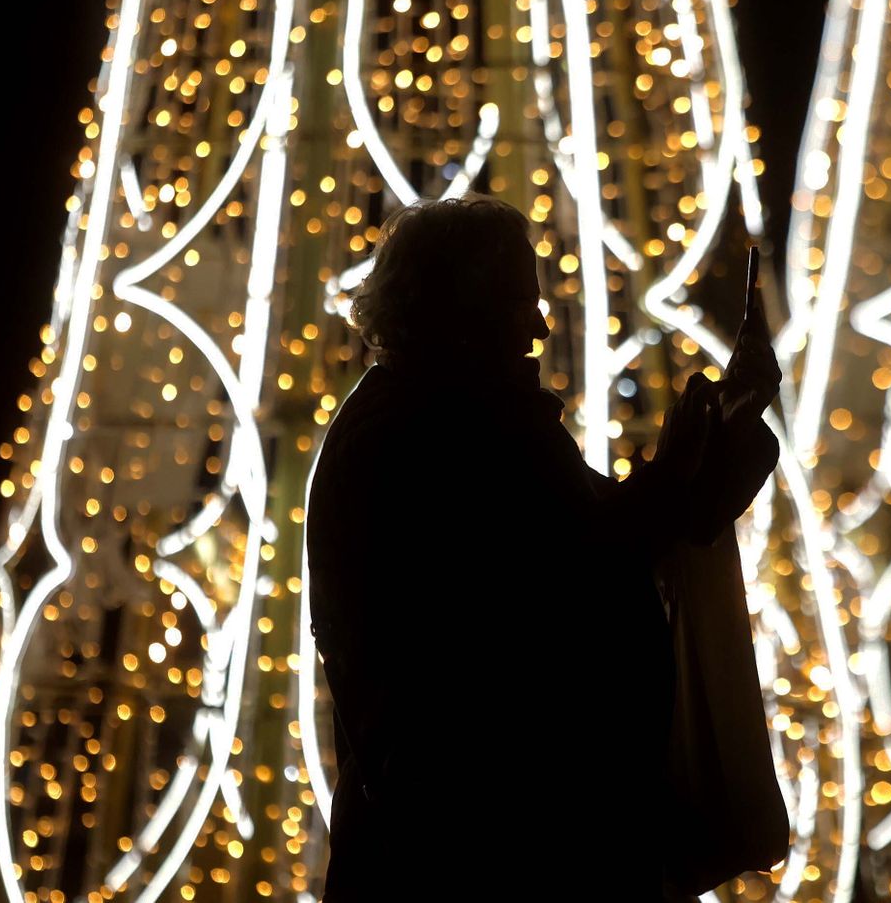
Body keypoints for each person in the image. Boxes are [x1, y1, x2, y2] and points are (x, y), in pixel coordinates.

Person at [304, 194, 784, 900]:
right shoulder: (425, 434)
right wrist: (678, 477)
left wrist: (706, 456)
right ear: (452, 310)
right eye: (513, 301)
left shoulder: (463, 417)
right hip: (485, 844)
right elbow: (549, 588)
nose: (537, 324)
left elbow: (593, 538)